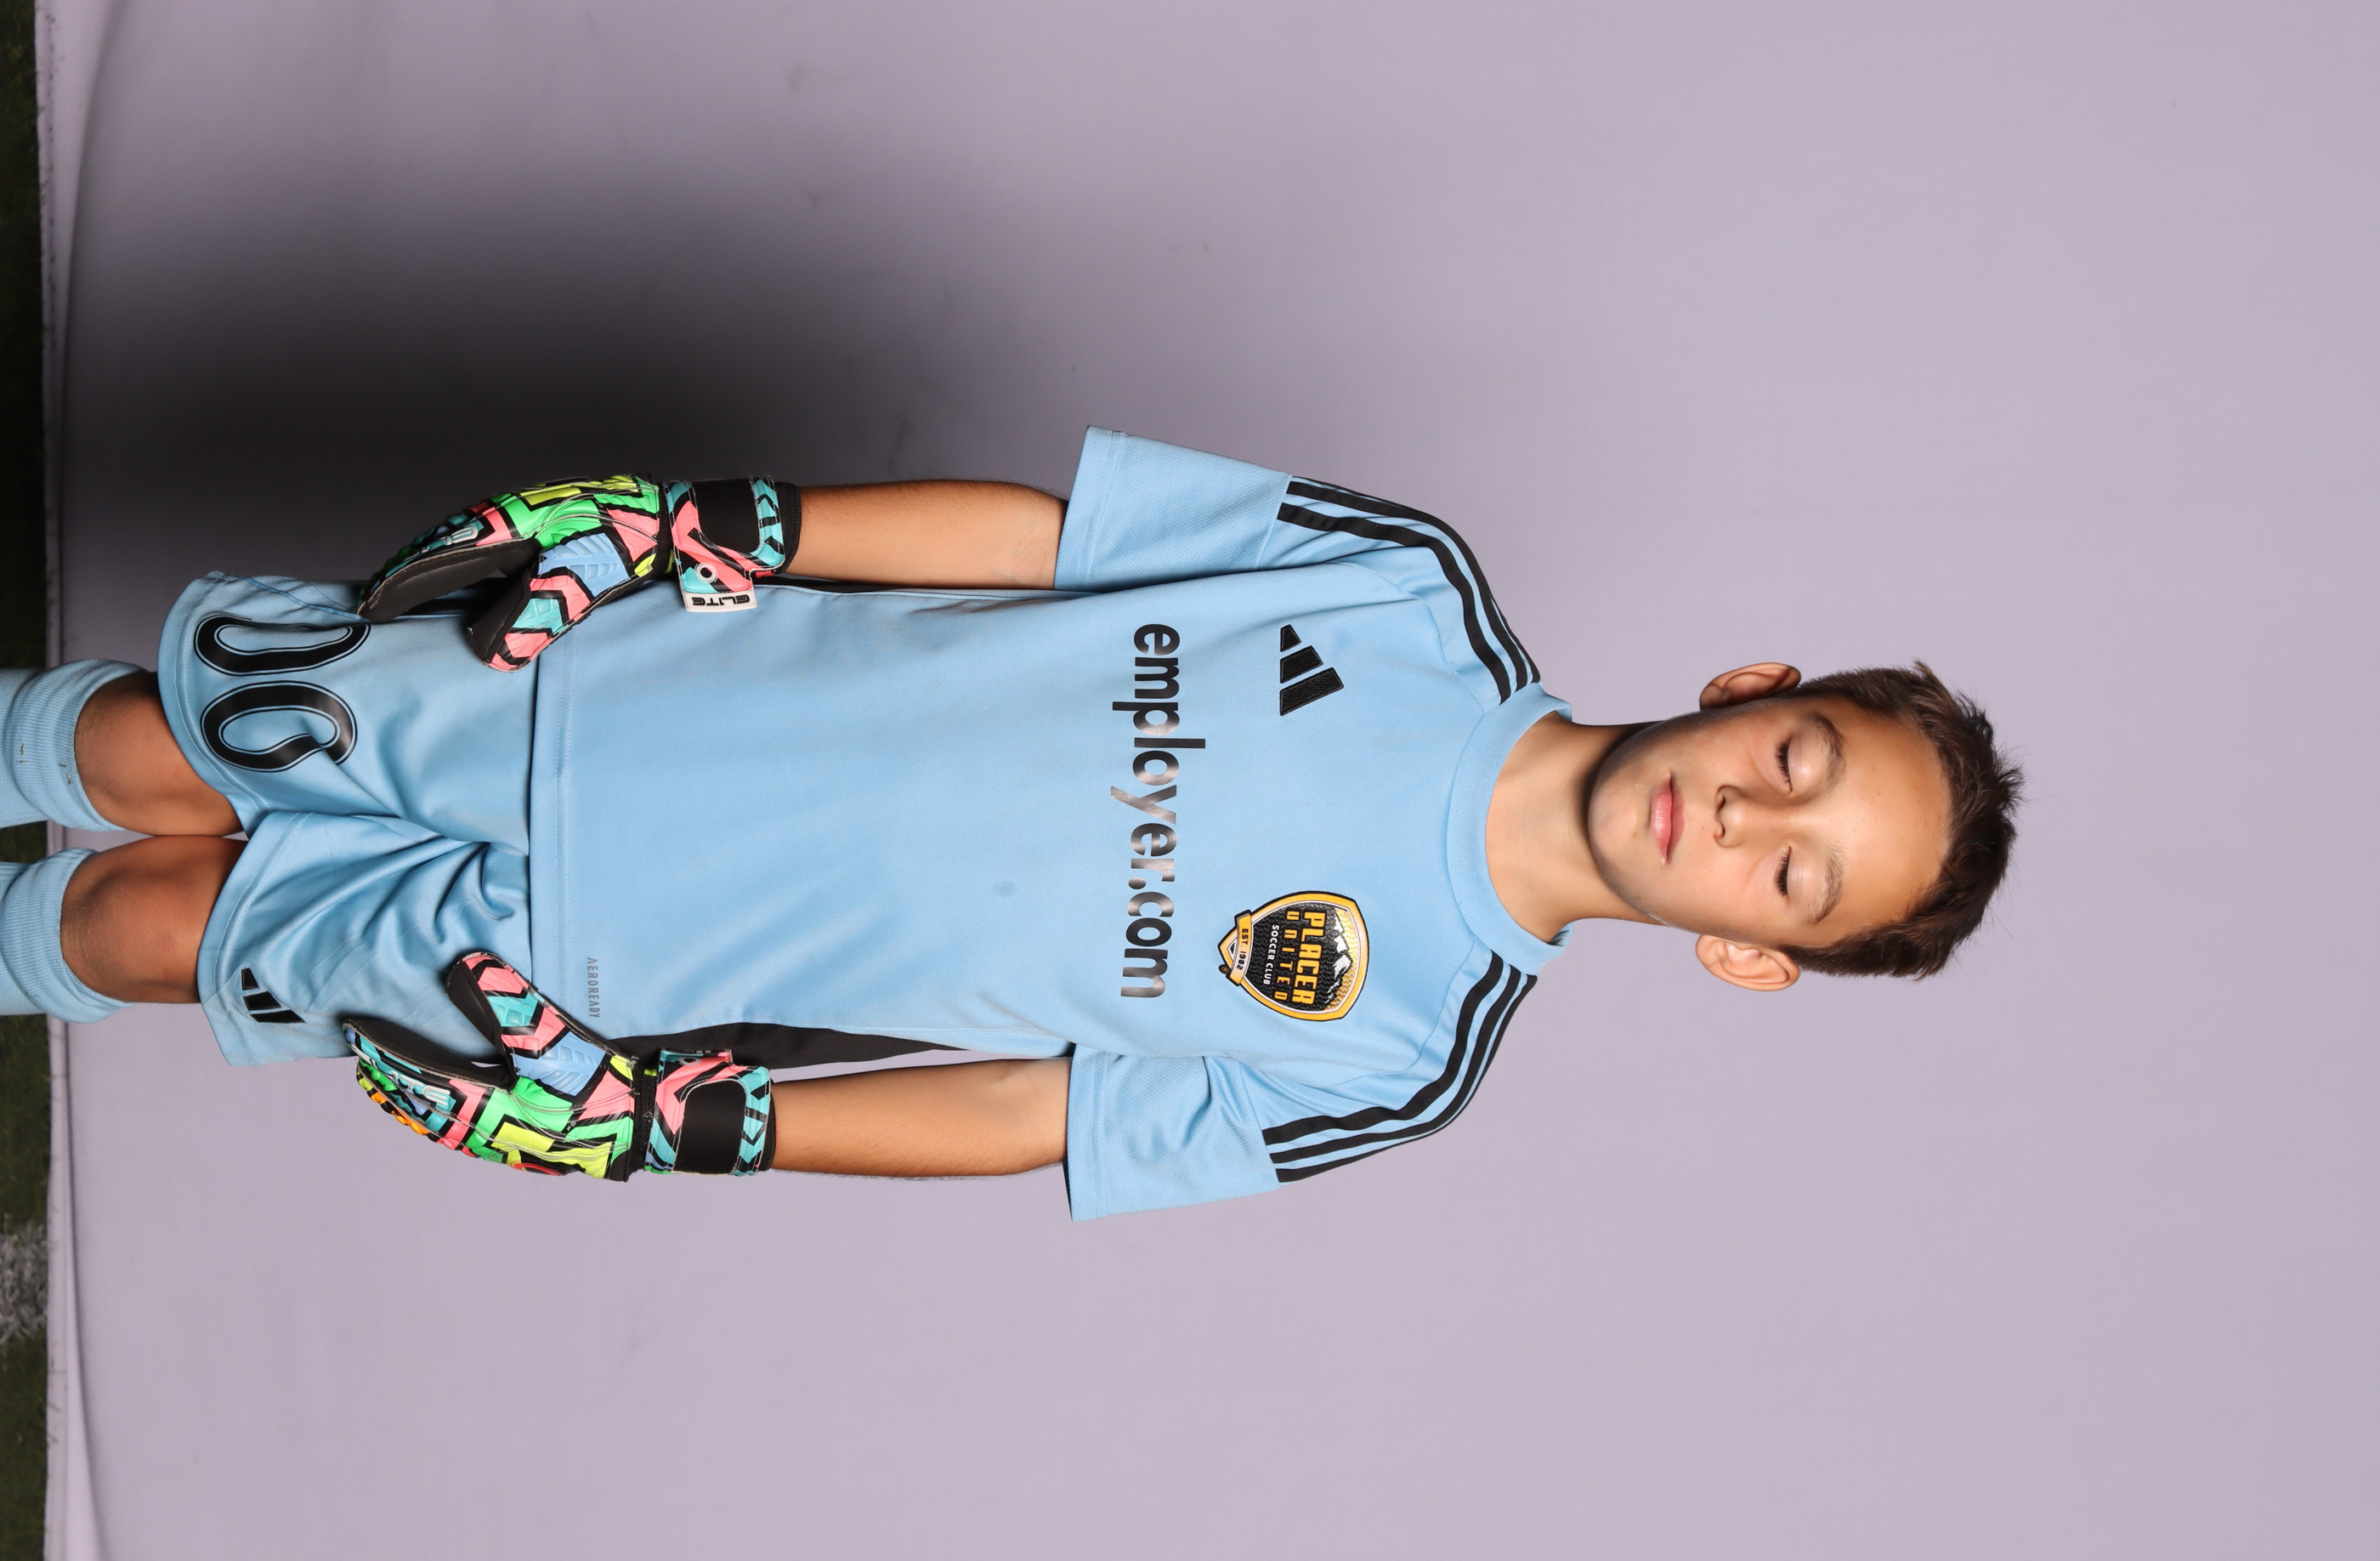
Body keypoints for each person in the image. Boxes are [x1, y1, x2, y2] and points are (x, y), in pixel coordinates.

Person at [0, 430, 2020, 1218]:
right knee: (164, 751)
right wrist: (718, 531)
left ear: (1750, 954)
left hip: (621, 955)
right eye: (1796, 758)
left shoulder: (1400, 1058)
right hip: (617, 683)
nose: (1741, 815)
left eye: (1790, 875)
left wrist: (705, 1122)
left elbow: (1031, 1112)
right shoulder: (1405, 586)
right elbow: (1049, 545)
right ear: (1755, 685)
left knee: (156, 934)